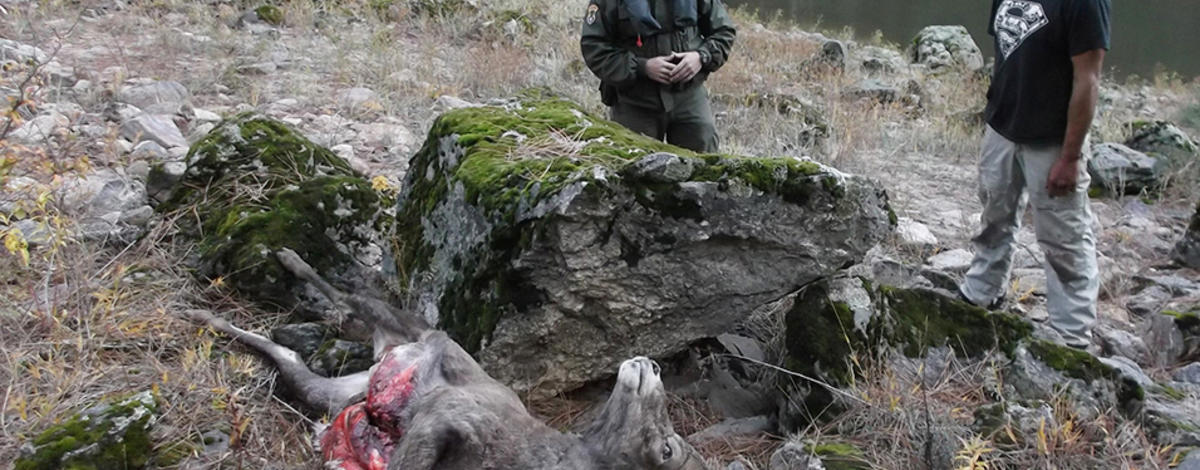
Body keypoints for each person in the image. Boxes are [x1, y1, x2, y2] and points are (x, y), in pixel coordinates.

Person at [959, 0, 1111, 349]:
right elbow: (1006, 50)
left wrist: (1070, 156)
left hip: (1053, 140)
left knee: (1063, 237)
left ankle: (1071, 335)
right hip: (1003, 128)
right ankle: (983, 292)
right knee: (994, 216)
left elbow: (1088, 79)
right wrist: (995, 111)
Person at [580, 0, 736, 153]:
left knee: (705, 166)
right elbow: (593, 47)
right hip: (635, 101)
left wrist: (701, 57)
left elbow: (724, 31)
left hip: (688, 97)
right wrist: (642, 67)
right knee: (632, 167)